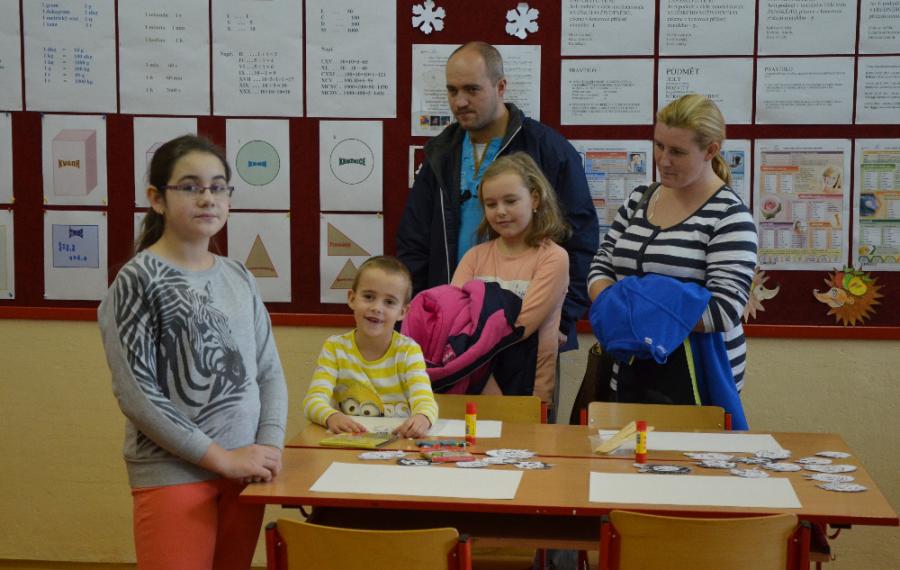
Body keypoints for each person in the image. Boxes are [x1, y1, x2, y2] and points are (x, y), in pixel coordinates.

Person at [98, 135, 288, 570]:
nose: (207, 198)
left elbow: (268, 372)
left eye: (218, 187)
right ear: (157, 199)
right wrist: (223, 459)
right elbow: (138, 396)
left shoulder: (238, 276)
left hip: (245, 472)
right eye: (190, 186)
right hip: (175, 474)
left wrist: (267, 448)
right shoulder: (138, 279)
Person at [397, 41, 597, 357]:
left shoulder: (546, 149)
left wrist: (564, 317)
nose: (460, 101)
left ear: (501, 86)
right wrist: (417, 316)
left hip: (527, 329)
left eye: (472, 89)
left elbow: (580, 239)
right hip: (452, 327)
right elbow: (414, 243)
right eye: (452, 91)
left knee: (529, 393)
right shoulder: (440, 153)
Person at [587, 93, 757, 400]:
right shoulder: (639, 198)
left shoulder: (729, 216)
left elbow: (724, 310)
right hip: (627, 366)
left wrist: (629, 311)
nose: (663, 160)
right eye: (659, 145)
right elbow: (601, 265)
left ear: (711, 151)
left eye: (677, 151)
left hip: (696, 377)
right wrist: (643, 308)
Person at [451, 153, 569, 408]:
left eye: (511, 201)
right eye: (491, 204)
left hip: (528, 389)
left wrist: (473, 333)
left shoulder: (552, 258)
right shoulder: (474, 257)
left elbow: (522, 326)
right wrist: (483, 380)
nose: (501, 211)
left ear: (534, 199)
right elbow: (453, 320)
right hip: (473, 384)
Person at [303, 256, 438, 439]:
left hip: (398, 444)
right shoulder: (334, 348)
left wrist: (423, 417)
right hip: (350, 443)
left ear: (403, 312)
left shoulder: (409, 351)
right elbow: (312, 401)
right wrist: (331, 416)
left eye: (389, 302)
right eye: (368, 297)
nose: (377, 308)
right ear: (352, 298)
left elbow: (426, 401)